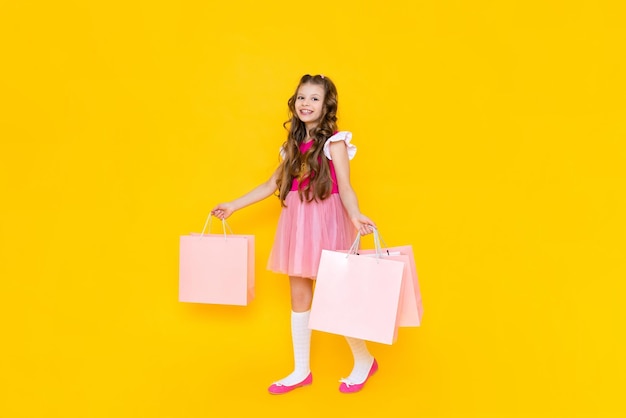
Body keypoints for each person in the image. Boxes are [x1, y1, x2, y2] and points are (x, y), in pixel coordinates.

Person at [211, 74, 378, 394]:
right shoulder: (290, 145)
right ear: (294, 101)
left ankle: (364, 359)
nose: (306, 103)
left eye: (314, 98)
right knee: (299, 295)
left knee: (335, 294)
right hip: (297, 221)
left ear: (326, 105)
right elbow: (270, 185)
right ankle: (301, 370)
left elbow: (345, 186)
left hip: (325, 219)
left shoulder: (336, 141)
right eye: (302, 97)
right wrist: (233, 205)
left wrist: (355, 215)